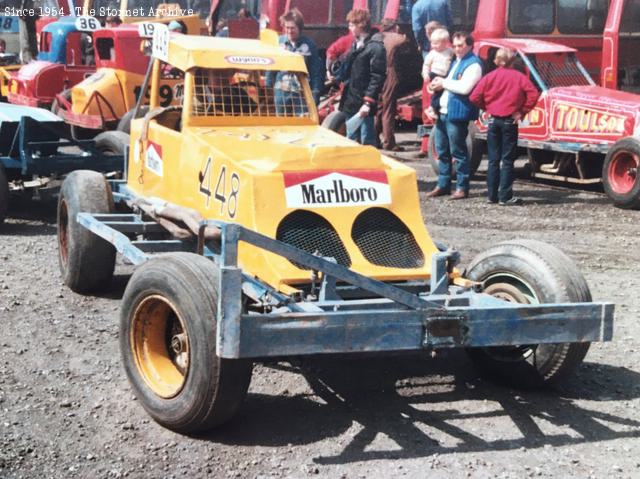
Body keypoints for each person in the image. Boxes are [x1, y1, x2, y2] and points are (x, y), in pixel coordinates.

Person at [470, 47, 539, 205]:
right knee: (507, 160)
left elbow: (474, 97)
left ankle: (491, 195)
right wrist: (521, 111)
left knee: (493, 159)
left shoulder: (489, 77)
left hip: (493, 121)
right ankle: (505, 196)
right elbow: (533, 94)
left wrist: (487, 107)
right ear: (512, 61)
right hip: (510, 121)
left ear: (496, 60)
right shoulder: (518, 77)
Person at [426, 32, 483, 200]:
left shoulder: (474, 65)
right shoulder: (456, 62)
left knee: (459, 152)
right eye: (455, 46)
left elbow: (465, 88)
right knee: (442, 150)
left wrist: (443, 83)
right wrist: (436, 87)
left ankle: (462, 187)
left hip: (457, 113)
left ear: (470, 46)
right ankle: (443, 184)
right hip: (443, 112)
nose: (457, 49)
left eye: (461, 46)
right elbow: (450, 85)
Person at [338, 8, 386, 146]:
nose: (349, 27)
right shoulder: (356, 44)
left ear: (361, 24)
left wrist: (368, 103)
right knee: (350, 139)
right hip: (351, 98)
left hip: (364, 101)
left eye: (352, 25)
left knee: (366, 141)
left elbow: (377, 77)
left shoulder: (376, 47)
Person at [275, 8, 323, 108]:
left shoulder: (309, 45)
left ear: (299, 28)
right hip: (281, 93)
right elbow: (271, 69)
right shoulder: (278, 43)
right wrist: (268, 89)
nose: (289, 31)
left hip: (301, 95)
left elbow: (316, 72)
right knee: (281, 123)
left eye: (292, 28)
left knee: (302, 122)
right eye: (287, 27)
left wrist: (315, 93)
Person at [377, 18, 408, 151]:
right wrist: (401, 32)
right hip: (390, 73)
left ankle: (373, 137)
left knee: (378, 107)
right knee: (389, 108)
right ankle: (389, 142)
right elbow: (405, 40)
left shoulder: (377, 37)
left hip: (377, 73)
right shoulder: (394, 37)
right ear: (394, 27)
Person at [422, 27, 453, 120]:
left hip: (445, 75)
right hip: (435, 74)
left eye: (436, 43)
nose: (433, 45)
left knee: (443, 93)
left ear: (445, 42)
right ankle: (431, 108)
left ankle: (436, 109)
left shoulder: (450, 51)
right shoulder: (432, 53)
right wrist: (425, 74)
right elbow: (426, 65)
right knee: (437, 93)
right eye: (432, 43)